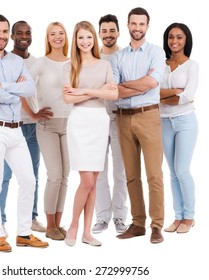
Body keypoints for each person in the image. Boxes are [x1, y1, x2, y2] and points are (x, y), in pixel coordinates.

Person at [0, 14, 49, 252]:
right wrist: (13, 93)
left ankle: (24, 233)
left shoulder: (16, 61)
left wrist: (3, 86)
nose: (2, 36)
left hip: (16, 132)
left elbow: (29, 88)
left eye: (5, 32)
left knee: (28, 180)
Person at [110, 7, 166, 244]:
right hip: (123, 118)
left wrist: (128, 85)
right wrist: (140, 84)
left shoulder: (156, 52)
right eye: (134, 23)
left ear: (147, 26)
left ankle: (156, 226)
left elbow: (153, 83)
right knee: (131, 176)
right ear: (128, 25)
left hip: (148, 117)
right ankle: (138, 223)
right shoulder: (117, 57)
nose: (137, 28)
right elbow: (114, 91)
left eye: (141, 24)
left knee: (154, 174)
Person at [63, 21, 118, 247]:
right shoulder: (69, 66)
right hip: (79, 123)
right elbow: (68, 99)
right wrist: (98, 92)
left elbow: (113, 94)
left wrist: (83, 90)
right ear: (75, 41)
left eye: (88, 37)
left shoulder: (104, 65)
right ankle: (73, 225)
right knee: (86, 180)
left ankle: (87, 232)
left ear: (94, 39)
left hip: (99, 122)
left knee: (93, 181)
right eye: (80, 38)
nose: (85, 42)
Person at [0, 20, 52, 237]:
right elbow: (14, 93)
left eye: (27, 33)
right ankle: (0, 221)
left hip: (32, 128)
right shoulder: (6, 60)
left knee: (32, 175)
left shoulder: (37, 62)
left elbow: (37, 90)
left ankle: (31, 218)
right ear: (12, 36)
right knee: (4, 176)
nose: (24, 36)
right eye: (19, 33)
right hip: (11, 126)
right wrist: (31, 112)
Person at [28, 22, 72, 241]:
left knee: (65, 176)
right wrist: (35, 112)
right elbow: (22, 88)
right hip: (48, 125)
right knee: (54, 175)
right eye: (52, 34)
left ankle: (58, 224)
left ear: (66, 36)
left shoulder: (73, 63)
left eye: (61, 33)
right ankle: (50, 225)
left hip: (70, 125)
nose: (57, 37)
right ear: (47, 38)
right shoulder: (41, 63)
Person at [160, 23, 199, 234]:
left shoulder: (192, 66)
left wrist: (167, 95)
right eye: (171, 37)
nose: (174, 41)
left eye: (179, 37)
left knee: (182, 170)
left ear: (186, 40)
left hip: (185, 122)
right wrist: (174, 91)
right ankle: (177, 217)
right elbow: (154, 93)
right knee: (173, 172)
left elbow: (187, 97)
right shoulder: (162, 63)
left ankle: (189, 217)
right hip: (164, 122)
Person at [92, 14, 128, 234]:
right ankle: (102, 217)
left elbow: (125, 89)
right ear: (99, 33)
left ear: (118, 32)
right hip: (96, 119)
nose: (108, 34)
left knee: (121, 171)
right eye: (104, 31)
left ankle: (120, 217)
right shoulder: (93, 57)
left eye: (111, 30)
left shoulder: (125, 56)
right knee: (99, 170)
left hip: (120, 118)